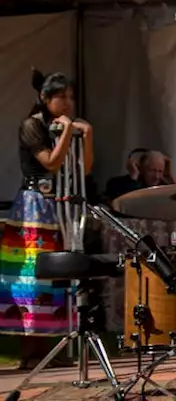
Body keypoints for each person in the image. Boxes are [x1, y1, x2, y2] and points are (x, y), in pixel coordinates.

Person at [0, 72, 93, 337]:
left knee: (62, 271)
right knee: (33, 272)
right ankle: (30, 344)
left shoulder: (66, 126)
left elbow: (84, 169)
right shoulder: (32, 125)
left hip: (61, 203)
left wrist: (87, 134)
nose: (68, 103)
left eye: (71, 97)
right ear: (45, 98)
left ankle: (58, 337)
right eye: (61, 97)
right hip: (34, 206)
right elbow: (51, 163)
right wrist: (66, 130)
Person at [105, 148, 174, 201]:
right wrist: (134, 177)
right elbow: (128, 202)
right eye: (152, 171)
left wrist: (170, 176)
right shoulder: (116, 184)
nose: (157, 176)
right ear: (140, 168)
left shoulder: (164, 188)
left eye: (160, 171)